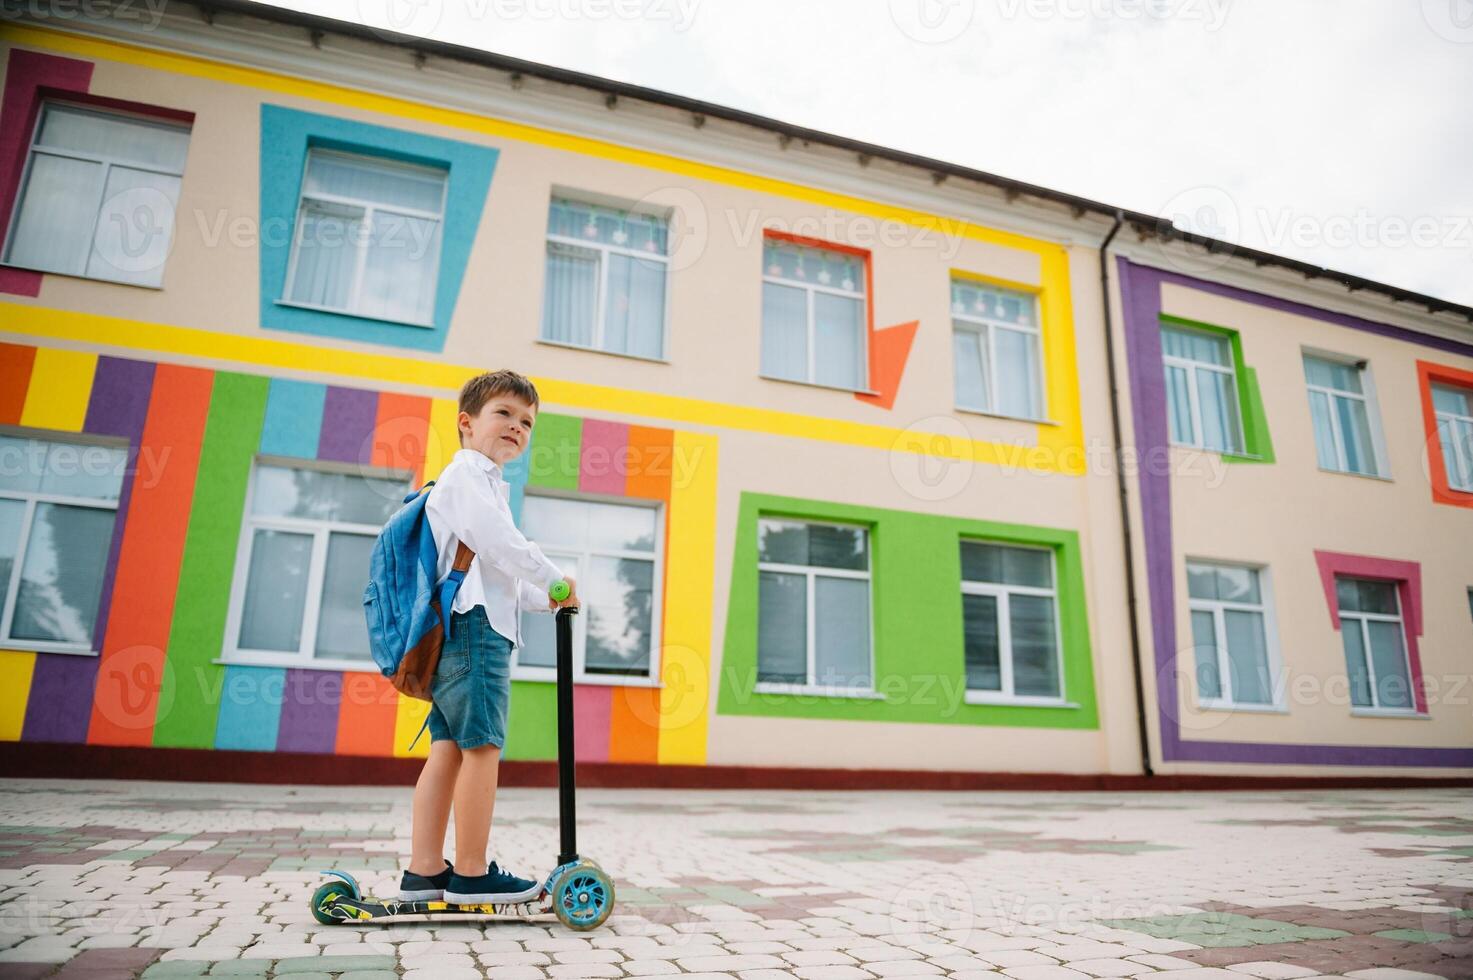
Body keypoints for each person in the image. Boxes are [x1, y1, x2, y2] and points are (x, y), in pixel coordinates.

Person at [398, 369, 577, 905]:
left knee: (449, 750)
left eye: (527, 421)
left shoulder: (480, 484)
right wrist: (553, 576)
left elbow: (491, 571)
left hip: (463, 626)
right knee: (483, 749)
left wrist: (543, 597)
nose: (517, 427)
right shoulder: (467, 478)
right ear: (466, 422)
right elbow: (499, 542)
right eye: (504, 413)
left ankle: (424, 872)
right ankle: (472, 875)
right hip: (475, 634)